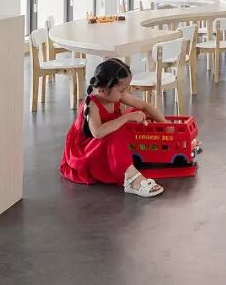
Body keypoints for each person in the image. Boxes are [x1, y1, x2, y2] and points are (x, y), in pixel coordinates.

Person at [59, 57, 166, 197]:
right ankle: (131, 179)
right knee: (117, 133)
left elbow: (145, 106)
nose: (125, 93)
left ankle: (153, 147)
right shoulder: (92, 104)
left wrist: (167, 127)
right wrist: (127, 117)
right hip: (88, 148)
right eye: (122, 90)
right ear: (103, 90)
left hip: (110, 135)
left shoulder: (117, 95)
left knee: (138, 114)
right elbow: (97, 133)